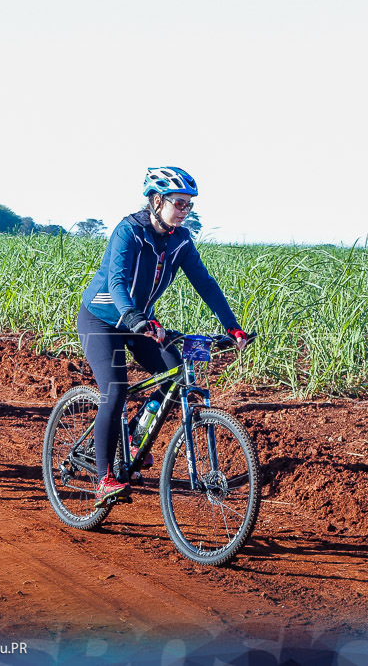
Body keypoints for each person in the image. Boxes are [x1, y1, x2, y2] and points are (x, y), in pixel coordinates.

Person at [78, 166, 248, 507]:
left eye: (189, 206)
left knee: (178, 373)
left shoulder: (181, 240)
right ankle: (104, 479)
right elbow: (117, 283)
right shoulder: (129, 231)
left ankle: (133, 434)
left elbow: (205, 283)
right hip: (104, 321)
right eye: (180, 204)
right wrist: (133, 317)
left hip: (144, 323)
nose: (185, 211)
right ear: (157, 201)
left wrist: (232, 327)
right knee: (116, 391)